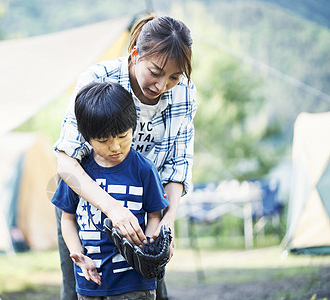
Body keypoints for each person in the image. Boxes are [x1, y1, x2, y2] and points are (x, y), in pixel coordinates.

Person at [54, 14, 196, 300]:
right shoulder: (97, 80)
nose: (161, 85)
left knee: (147, 286)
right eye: (155, 72)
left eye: (174, 77)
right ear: (135, 55)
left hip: (146, 209)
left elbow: (176, 167)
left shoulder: (184, 93)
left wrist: (166, 224)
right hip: (87, 204)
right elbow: (66, 162)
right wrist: (113, 210)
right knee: (80, 288)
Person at [52, 81, 169, 299]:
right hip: (90, 281)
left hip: (135, 283)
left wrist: (150, 248)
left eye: (123, 136)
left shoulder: (144, 170)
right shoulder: (78, 174)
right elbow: (67, 219)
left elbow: (155, 215)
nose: (114, 146)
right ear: (87, 137)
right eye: (103, 140)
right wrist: (77, 254)